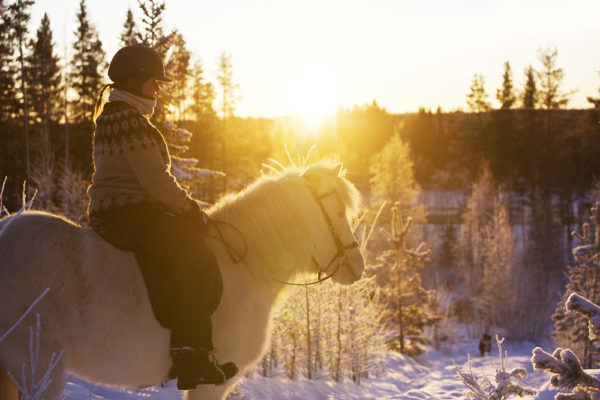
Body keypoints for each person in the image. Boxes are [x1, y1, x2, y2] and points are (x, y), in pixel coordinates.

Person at [87, 44, 238, 390]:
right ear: (135, 79)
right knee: (193, 260)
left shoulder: (115, 114)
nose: (158, 88)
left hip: (117, 211)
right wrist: (190, 209)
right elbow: (156, 181)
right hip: (133, 211)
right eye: (154, 81)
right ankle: (192, 355)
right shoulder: (130, 121)